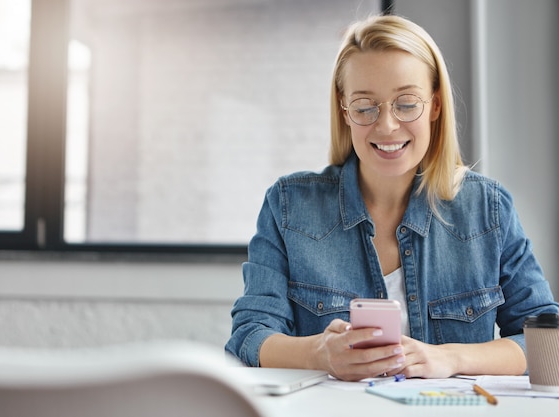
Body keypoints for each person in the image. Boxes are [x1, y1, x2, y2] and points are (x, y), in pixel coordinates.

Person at [225, 14, 559, 382]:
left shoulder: (488, 209)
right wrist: (318, 353)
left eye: (406, 103)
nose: (386, 126)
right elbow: (250, 334)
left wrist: (450, 358)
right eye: (366, 106)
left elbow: (546, 339)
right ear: (345, 111)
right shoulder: (288, 206)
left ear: (434, 106)